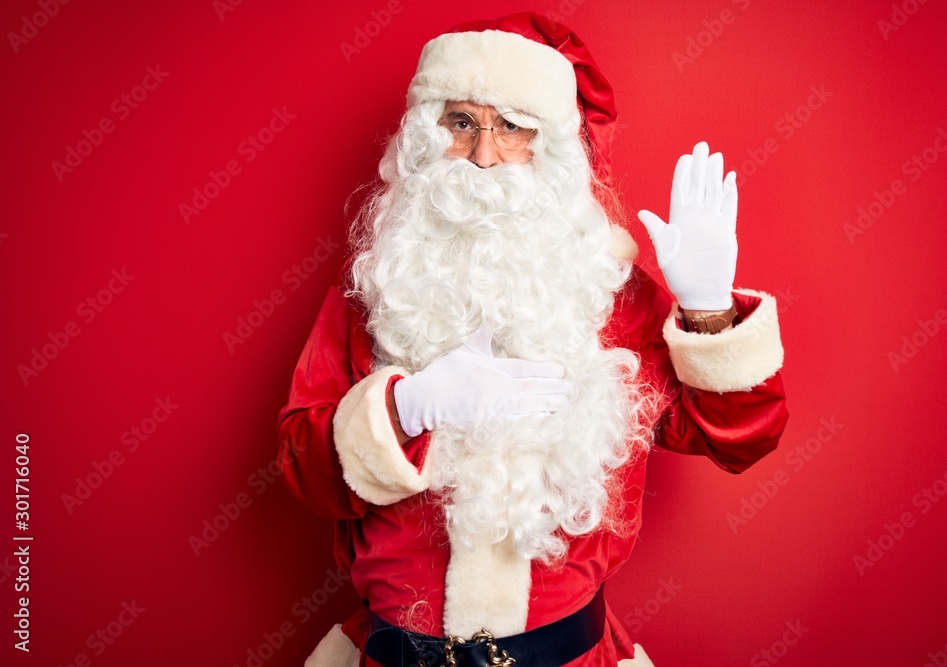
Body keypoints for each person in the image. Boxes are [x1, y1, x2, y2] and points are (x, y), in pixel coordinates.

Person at [278, 12, 788, 667]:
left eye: (511, 126)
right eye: (461, 122)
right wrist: (408, 406)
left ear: (550, 147)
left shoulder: (608, 290)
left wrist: (710, 309)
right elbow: (301, 467)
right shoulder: (377, 285)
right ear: (424, 137)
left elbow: (741, 437)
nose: (484, 155)